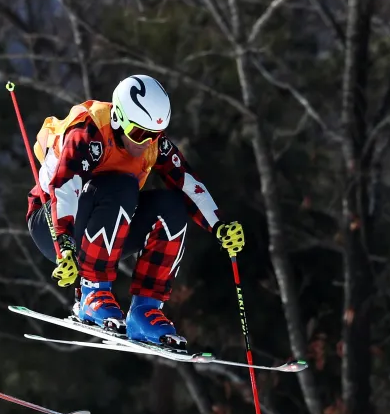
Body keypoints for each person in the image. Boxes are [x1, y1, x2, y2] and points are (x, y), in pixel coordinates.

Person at [25, 74, 244, 349]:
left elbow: (187, 182)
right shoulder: (88, 129)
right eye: (139, 134)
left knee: (172, 206)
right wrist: (65, 243)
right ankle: (91, 294)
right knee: (121, 186)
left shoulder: (152, 146)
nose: (145, 143)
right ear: (118, 118)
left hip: (105, 229)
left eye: (154, 135)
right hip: (52, 224)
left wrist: (219, 225)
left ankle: (145, 310)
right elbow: (64, 189)